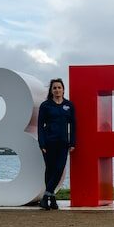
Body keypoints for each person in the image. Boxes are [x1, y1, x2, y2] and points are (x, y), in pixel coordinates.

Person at [37, 78, 75, 210]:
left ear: (63, 89)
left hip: (63, 143)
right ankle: (51, 200)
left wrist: (72, 142)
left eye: (59, 87)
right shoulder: (45, 106)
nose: (57, 90)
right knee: (50, 170)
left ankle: (45, 197)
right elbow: (40, 126)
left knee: (59, 169)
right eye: (55, 88)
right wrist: (41, 143)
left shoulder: (69, 105)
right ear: (51, 90)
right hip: (48, 143)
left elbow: (73, 125)